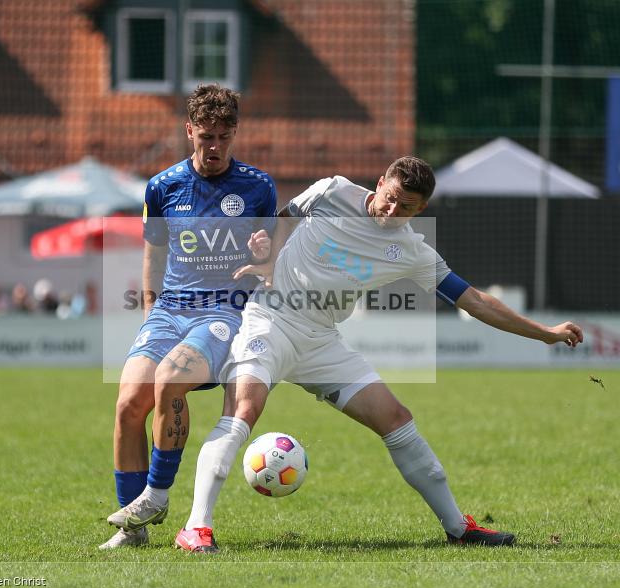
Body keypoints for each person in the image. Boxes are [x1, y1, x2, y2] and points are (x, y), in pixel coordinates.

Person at [117, 156, 583, 553]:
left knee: (397, 418)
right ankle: (196, 529)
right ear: (380, 183)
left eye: (407, 207)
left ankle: (458, 528)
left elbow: (473, 300)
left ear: (421, 210)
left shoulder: (412, 250)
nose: (393, 210)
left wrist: (544, 333)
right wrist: (268, 258)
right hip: (269, 320)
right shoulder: (334, 190)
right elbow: (284, 217)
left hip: (321, 341)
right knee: (244, 410)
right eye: (391, 197)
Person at [99, 84, 278, 549]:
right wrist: (149, 312)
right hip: (168, 312)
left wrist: (263, 253)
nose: (214, 146)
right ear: (189, 131)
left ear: (234, 134)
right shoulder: (162, 187)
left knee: (169, 380)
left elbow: (269, 262)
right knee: (127, 403)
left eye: (223, 137)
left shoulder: (258, 187)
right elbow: (154, 254)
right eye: (205, 136)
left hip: (223, 313)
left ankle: (156, 496)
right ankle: (132, 531)